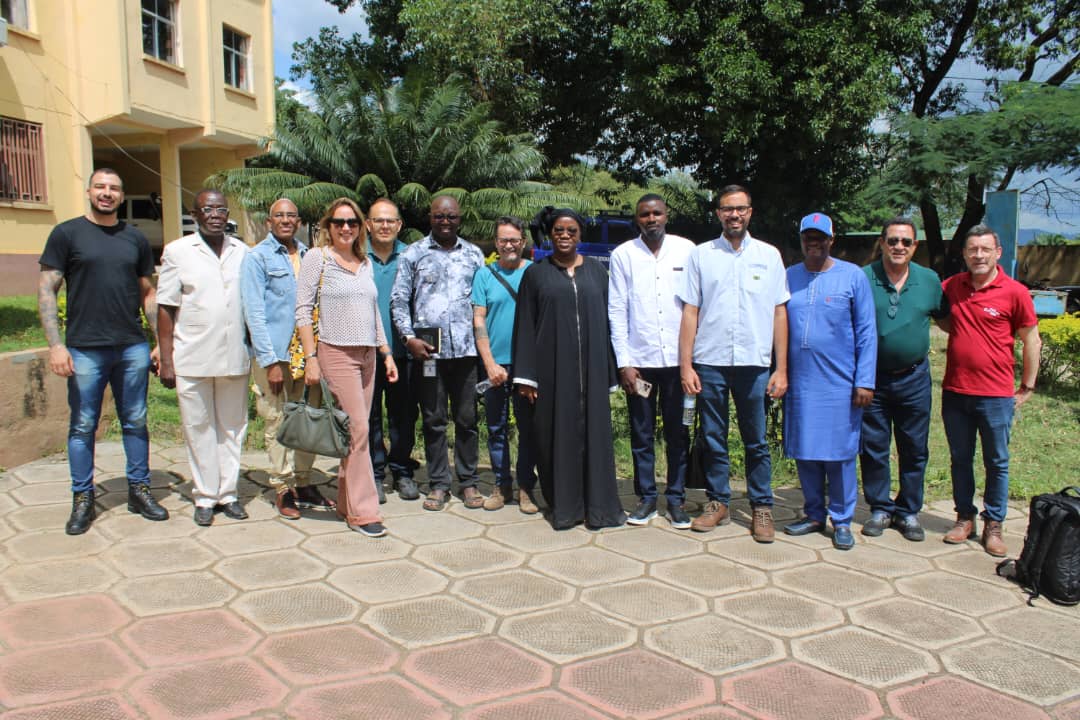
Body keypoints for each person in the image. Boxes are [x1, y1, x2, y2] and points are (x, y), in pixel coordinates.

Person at [38, 168, 168, 535]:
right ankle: (82, 498)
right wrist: (56, 345)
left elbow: (148, 292)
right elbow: (47, 290)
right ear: (89, 192)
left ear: (121, 196)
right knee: (83, 425)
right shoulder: (66, 234)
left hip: (131, 347)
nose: (106, 193)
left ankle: (139, 490)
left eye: (113, 188)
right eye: (100, 187)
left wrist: (160, 342)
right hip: (84, 349)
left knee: (136, 421)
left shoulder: (135, 238)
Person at [678, 185, 789, 543]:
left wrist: (781, 369)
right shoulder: (701, 255)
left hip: (754, 364)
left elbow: (779, 312)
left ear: (750, 212)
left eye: (740, 208)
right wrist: (686, 366)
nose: (734, 215)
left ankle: (761, 506)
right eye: (727, 209)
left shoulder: (769, 256)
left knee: (756, 439)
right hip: (710, 362)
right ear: (718, 214)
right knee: (713, 436)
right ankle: (718, 501)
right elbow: (690, 312)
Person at [513, 207, 626, 530]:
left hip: (592, 369)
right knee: (554, 437)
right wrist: (526, 375)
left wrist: (610, 369)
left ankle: (598, 507)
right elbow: (525, 325)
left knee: (595, 437)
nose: (564, 236)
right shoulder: (536, 274)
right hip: (552, 370)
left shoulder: (596, 272)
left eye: (571, 231)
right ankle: (565, 507)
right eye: (559, 231)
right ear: (550, 235)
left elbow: (609, 322)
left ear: (580, 235)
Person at [295, 198, 396, 537]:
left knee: (354, 430)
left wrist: (386, 353)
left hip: (367, 355)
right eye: (339, 222)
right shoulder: (318, 258)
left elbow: (374, 312)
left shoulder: (364, 262)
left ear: (360, 227)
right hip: (336, 352)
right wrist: (311, 358)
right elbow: (302, 309)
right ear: (328, 226)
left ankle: (345, 502)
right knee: (359, 430)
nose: (346, 228)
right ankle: (364, 513)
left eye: (352, 222)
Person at [940, 224, 1041, 557]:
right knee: (960, 459)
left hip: (996, 395)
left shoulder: (1015, 292)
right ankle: (964, 517)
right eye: (972, 249)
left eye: (985, 249)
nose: (978, 255)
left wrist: (1027, 385)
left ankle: (994, 523)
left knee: (997, 462)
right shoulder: (952, 286)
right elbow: (939, 314)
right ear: (964, 254)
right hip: (956, 392)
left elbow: (1031, 340)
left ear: (998, 253)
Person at [783, 212, 877, 550]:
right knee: (806, 450)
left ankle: (842, 520)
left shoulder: (852, 277)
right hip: (801, 382)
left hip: (840, 383)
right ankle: (813, 514)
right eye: (808, 237)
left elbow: (867, 331)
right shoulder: (789, 276)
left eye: (820, 237)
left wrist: (864, 381)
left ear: (831, 240)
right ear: (801, 240)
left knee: (839, 455)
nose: (814, 243)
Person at [157, 190, 251, 527]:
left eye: (220, 209)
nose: (214, 214)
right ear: (195, 215)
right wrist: (166, 359)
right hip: (192, 355)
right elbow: (166, 307)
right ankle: (205, 496)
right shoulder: (178, 252)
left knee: (232, 427)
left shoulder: (243, 252)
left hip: (234, 355)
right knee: (198, 427)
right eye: (207, 209)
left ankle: (228, 494)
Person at [241, 198, 336, 519]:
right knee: (278, 419)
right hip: (277, 356)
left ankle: (305, 481)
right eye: (279, 216)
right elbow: (254, 313)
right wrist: (269, 362)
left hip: (309, 354)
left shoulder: (311, 256)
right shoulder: (257, 257)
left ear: (299, 222)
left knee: (308, 417)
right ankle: (283, 486)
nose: (285, 220)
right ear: (269, 222)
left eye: (291, 216)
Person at [390, 195, 486, 512]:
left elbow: (483, 303)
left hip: (467, 353)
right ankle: (439, 484)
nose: (445, 221)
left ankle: (468, 481)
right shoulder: (413, 254)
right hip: (428, 354)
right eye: (439, 216)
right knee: (434, 420)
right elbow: (399, 300)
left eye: (451, 216)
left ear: (460, 219)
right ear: (430, 217)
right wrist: (409, 339)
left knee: (467, 419)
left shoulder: (474, 255)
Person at [859, 218, 949, 541]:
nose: (899, 247)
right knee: (873, 447)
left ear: (915, 246)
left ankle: (908, 510)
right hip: (873, 379)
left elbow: (947, 321)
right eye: (893, 240)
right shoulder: (863, 277)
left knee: (914, 447)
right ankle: (880, 508)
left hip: (914, 378)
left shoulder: (929, 280)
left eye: (905, 242)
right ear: (882, 243)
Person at [610, 194, 694, 528]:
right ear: (637, 219)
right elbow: (617, 309)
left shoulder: (686, 250)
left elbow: (695, 305)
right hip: (640, 363)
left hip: (677, 363)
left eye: (657, 213)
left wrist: (691, 361)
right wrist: (624, 363)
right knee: (642, 434)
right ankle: (646, 498)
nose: (651, 219)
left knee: (678, 433)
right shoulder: (623, 255)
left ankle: (676, 499)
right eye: (645, 214)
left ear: (666, 215)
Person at [473, 216, 539, 513]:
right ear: (496, 243)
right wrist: (489, 363)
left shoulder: (535, 273)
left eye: (514, 240)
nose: (509, 245)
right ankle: (501, 485)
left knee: (529, 428)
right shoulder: (484, 275)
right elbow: (478, 319)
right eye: (503, 240)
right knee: (496, 427)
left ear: (523, 242)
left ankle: (526, 486)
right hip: (495, 365)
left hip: (527, 366)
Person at [366, 198, 420, 502]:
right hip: (366, 352)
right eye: (378, 220)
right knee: (370, 416)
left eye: (390, 220)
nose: (384, 225)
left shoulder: (412, 256)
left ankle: (401, 470)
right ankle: (374, 472)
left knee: (404, 416)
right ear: (368, 225)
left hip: (404, 352)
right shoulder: (355, 256)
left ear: (399, 225)